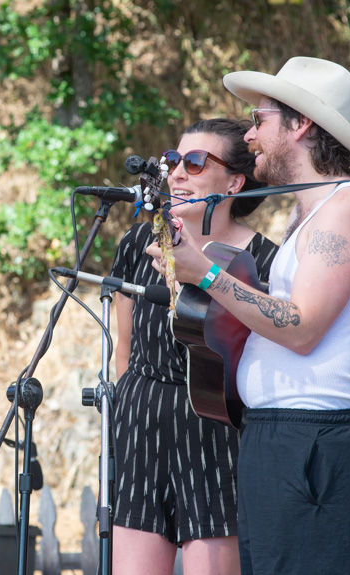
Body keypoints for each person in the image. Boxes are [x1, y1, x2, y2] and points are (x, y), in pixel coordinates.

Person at [147, 57, 350, 574]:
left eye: (259, 119)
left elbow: (301, 327)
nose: (250, 135)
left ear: (300, 124)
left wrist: (207, 275)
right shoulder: (309, 211)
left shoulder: (348, 210)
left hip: (309, 435)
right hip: (281, 432)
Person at [110, 119, 278, 575]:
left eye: (196, 162)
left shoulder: (264, 262)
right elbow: (124, 349)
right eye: (174, 160)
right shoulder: (139, 243)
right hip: (141, 418)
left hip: (216, 429)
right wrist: (126, 413)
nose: (178, 173)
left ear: (234, 183)